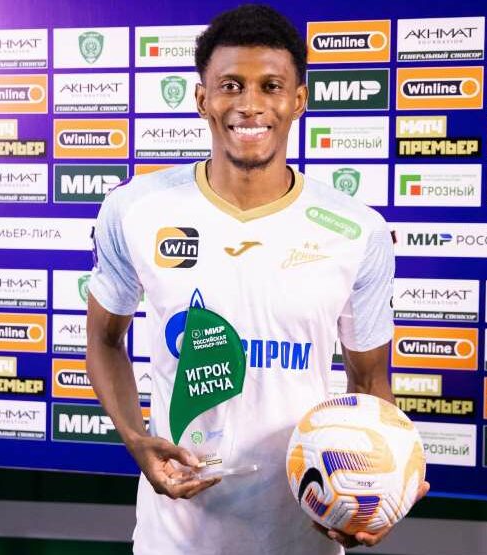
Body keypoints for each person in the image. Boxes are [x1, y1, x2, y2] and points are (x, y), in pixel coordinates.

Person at [86, 4, 429, 554]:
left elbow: (368, 383)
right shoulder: (136, 209)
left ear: (298, 100)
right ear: (202, 99)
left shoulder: (356, 230)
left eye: (271, 86)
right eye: (231, 85)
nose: (250, 104)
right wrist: (135, 439)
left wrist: (382, 484)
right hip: (175, 537)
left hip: (301, 535)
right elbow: (105, 341)